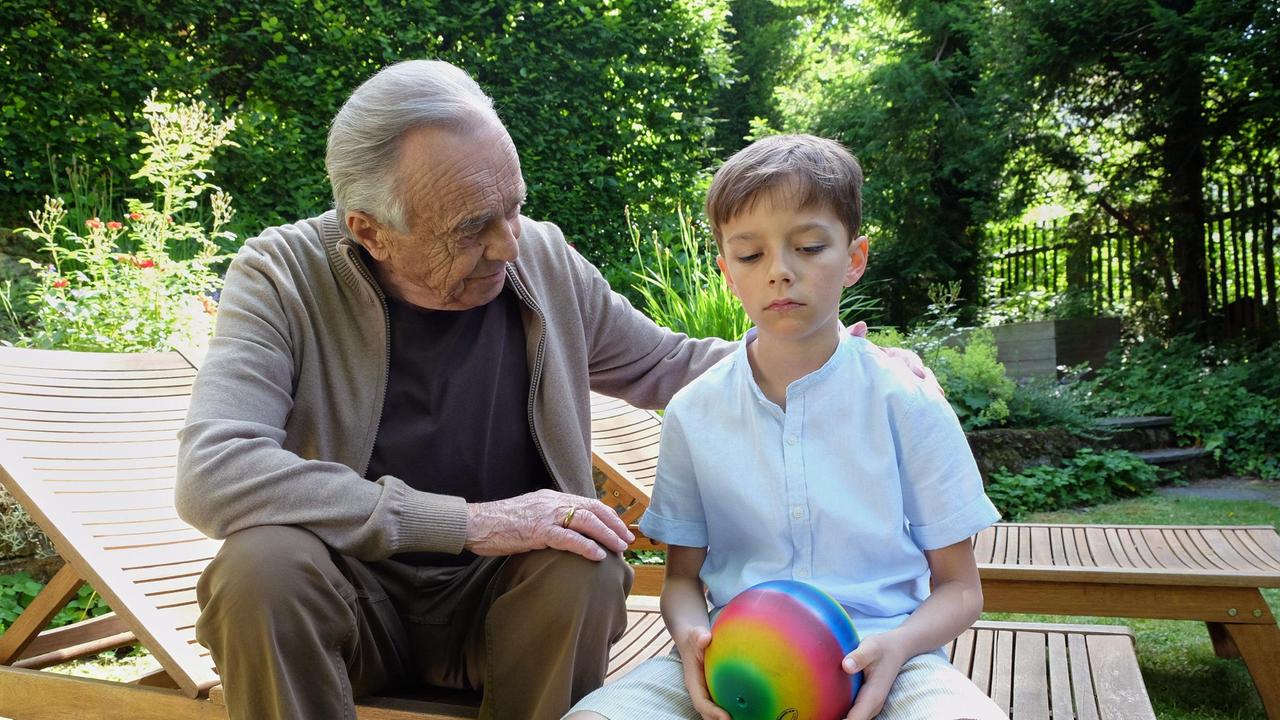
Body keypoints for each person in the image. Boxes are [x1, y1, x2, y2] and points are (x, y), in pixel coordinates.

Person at [176, 60, 936, 720]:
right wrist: (472, 522)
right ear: (371, 232)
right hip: (350, 609)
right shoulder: (283, 277)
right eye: (475, 227)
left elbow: (665, 363)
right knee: (260, 567)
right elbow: (215, 473)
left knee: (583, 559)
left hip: (511, 611)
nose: (511, 242)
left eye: (514, 205)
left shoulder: (536, 255)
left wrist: (826, 359)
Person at [566, 135, 1005, 720]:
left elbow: (960, 588)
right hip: (731, 656)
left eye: (808, 246)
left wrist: (898, 646)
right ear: (726, 271)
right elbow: (680, 581)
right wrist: (695, 642)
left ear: (853, 259)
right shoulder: (694, 412)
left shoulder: (907, 401)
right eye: (750, 256)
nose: (779, 272)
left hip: (889, 656)